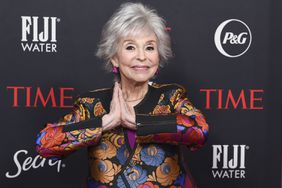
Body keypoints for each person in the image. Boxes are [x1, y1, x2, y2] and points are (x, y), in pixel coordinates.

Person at [36, 2, 209, 188]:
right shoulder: (91, 104)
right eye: (130, 47)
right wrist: (104, 123)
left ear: (158, 56)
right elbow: (44, 144)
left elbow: (200, 131)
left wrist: (139, 123)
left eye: (150, 47)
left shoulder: (171, 97)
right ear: (114, 57)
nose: (142, 56)